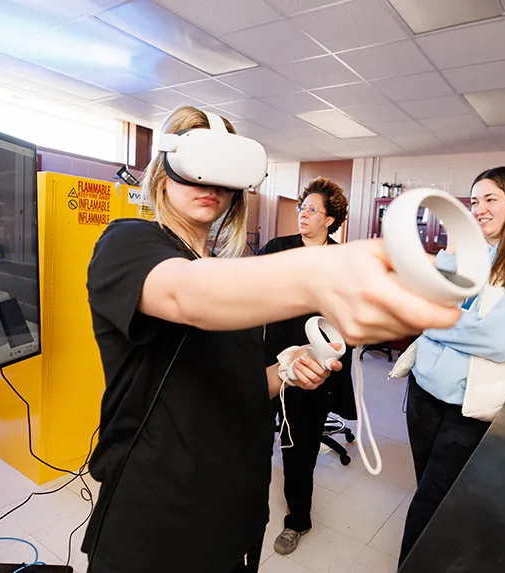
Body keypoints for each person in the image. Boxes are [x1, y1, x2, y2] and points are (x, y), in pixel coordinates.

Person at [81, 105, 462, 573]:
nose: (210, 185)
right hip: (160, 513)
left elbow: (239, 386)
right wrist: (325, 274)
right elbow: (187, 293)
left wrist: (284, 370)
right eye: (197, 169)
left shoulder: (231, 269)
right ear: (163, 172)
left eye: (224, 174)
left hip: (235, 508)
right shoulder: (128, 244)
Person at [392, 166, 505, 566]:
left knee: (432, 505)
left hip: (468, 409)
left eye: (490, 198)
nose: (478, 209)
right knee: (431, 489)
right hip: (423, 392)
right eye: (474, 200)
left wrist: (432, 321)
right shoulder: (473, 251)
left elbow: (497, 337)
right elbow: (430, 297)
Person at [258, 177, 356, 555]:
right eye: (302, 208)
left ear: (330, 221)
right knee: (255, 441)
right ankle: (244, 505)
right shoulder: (278, 249)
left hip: (313, 372)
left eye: (313, 210)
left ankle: (297, 521)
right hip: (270, 366)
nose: (303, 214)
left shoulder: (342, 261)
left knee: (298, 451)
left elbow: (350, 322)